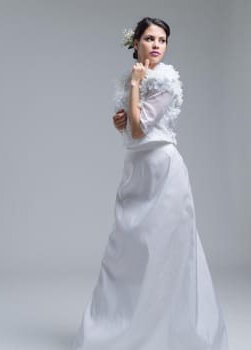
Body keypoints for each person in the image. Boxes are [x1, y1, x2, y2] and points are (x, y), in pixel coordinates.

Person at [72, 17, 229, 350]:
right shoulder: (133, 78)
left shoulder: (166, 81)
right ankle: (125, 329)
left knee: (165, 251)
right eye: (150, 38)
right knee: (129, 252)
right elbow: (130, 129)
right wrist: (120, 120)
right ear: (136, 44)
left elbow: (142, 128)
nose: (157, 45)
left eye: (162, 40)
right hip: (136, 169)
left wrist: (133, 91)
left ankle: (169, 332)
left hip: (163, 171)